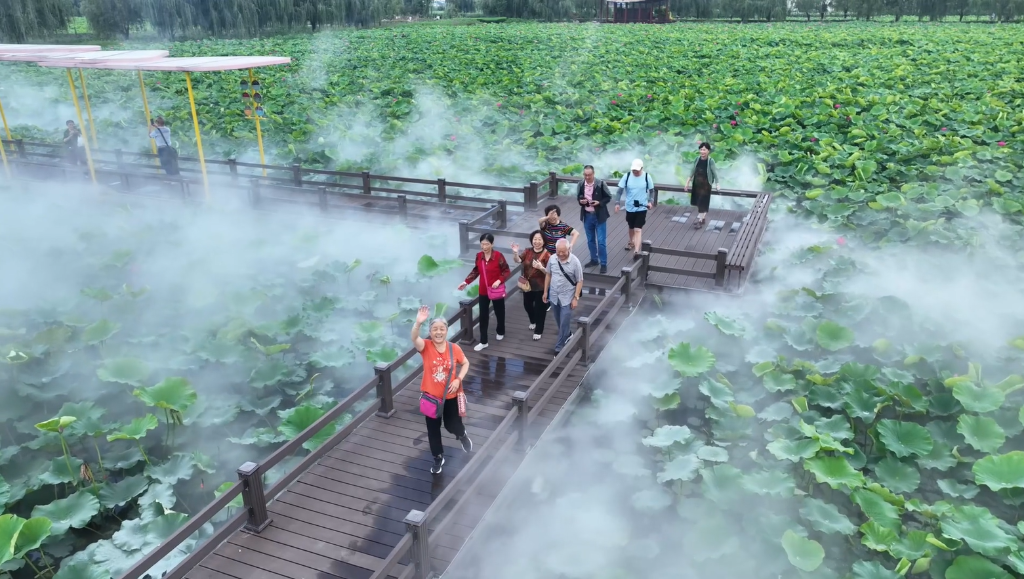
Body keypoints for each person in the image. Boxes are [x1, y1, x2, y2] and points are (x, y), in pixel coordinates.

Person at [411, 306, 472, 475]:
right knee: (433, 430)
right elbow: (414, 338)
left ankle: (461, 435)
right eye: (435, 329)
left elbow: (465, 363)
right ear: (430, 332)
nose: (438, 332)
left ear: (447, 330)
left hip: (450, 397)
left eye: (442, 329)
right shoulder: (426, 347)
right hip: (431, 398)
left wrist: (458, 379)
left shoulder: (454, 348)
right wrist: (418, 322)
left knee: (453, 425)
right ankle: (438, 456)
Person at [458, 233, 510, 352]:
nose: (484, 247)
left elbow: (506, 271)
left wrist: (499, 280)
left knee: (499, 312)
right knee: (483, 315)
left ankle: (500, 331)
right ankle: (483, 341)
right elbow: (476, 271)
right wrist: (466, 282)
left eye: (487, 244)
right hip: (483, 290)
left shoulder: (498, 256)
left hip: (496, 289)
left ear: (492, 244)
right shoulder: (479, 256)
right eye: (482, 244)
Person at [542, 239, 584, 357]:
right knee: (559, 321)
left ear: (569, 249)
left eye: (563, 252)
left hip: (567, 297)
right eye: (558, 251)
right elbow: (548, 274)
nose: (560, 254)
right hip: (554, 295)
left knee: (564, 321)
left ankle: (559, 347)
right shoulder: (552, 259)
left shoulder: (575, 262)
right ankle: (568, 334)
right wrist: (545, 291)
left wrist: (575, 298)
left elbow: (580, 281)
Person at [511, 231, 550, 341]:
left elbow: (550, 273)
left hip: (541, 286)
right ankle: (533, 320)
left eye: (539, 239)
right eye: (535, 239)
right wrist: (515, 253)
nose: (537, 241)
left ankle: (538, 330)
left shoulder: (547, 255)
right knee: (527, 305)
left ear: (543, 241)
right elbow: (518, 260)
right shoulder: (527, 251)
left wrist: (541, 268)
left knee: (540, 309)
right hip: (527, 285)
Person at [576, 165, 613, 274]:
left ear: (594, 173)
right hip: (587, 215)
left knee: (601, 242)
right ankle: (594, 259)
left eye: (589, 175)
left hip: (599, 216)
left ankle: (603, 264)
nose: (587, 177)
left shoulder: (600, 184)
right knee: (590, 240)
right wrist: (581, 201)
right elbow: (579, 196)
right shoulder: (580, 184)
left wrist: (599, 203)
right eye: (585, 175)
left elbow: (609, 197)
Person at [614, 158, 654, 259]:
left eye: (637, 170)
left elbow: (651, 191)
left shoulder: (647, 177)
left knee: (638, 229)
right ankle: (631, 241)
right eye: (633, 170)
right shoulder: (627, 176)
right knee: (631, 226)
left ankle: (636, 251)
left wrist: (650, 202)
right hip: (630, 207)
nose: (635, 172)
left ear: (641, 168)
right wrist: (617, 203)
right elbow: (619, 191)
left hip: (642, 207)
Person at [684, 142, 720, 230]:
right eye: (701, 149)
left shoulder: (710, 161)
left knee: (702, 202)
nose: (702, 151)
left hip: (706, 185)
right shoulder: (697, 159)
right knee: (699, 202)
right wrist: (687, 182)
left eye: (704, 150)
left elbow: (715, 173)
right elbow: (692, 171)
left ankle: (700, 221)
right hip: (697, 184)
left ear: (708, 151)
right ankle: (702, 218)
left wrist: (717, 183)